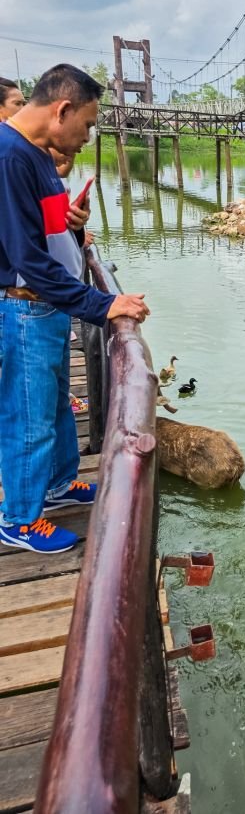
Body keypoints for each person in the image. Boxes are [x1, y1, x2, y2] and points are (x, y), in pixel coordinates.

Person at [0, 63, 150, 554]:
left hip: (48, 310)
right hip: (25, 309)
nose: (88, 136)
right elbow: (29, 260)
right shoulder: (10, 157)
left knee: (58, 404)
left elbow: (47, 233)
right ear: (61, 110)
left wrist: (74, 225)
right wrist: (102, 304)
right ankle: (19, 517)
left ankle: (59, 484)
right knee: (29, 415)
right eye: (86, 124)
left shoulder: (39, 157)